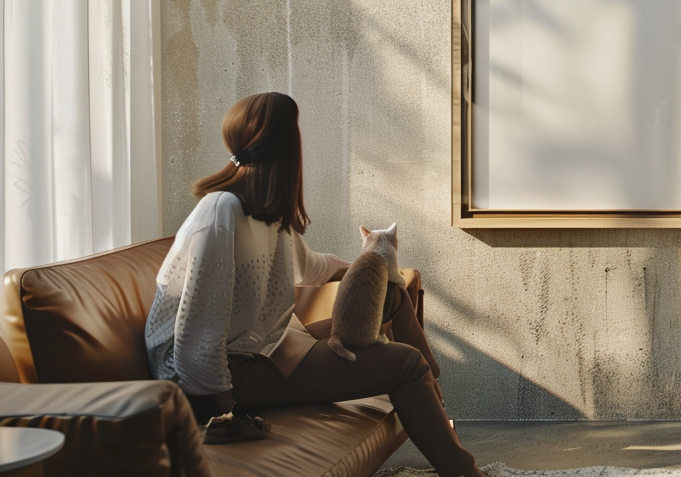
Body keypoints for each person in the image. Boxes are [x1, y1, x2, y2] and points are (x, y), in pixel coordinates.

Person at [144, 92, 484, 477]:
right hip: (224, 374)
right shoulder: (220, 211)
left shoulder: (265, 210)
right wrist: (229, 412)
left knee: (392, 294)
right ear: (287, 150)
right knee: (405, 363)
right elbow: (196, 339)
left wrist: (365, 268)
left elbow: (312, 268)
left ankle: (432, 395)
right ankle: (465, 469)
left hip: (269, 348)